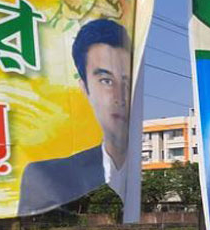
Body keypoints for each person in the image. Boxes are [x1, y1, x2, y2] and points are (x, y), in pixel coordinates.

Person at [18, 19, 131, 215]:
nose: (119, 97)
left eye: (126, 81)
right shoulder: (46, 176)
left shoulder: (144, 171)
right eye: (106, 80)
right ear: (84, 87)